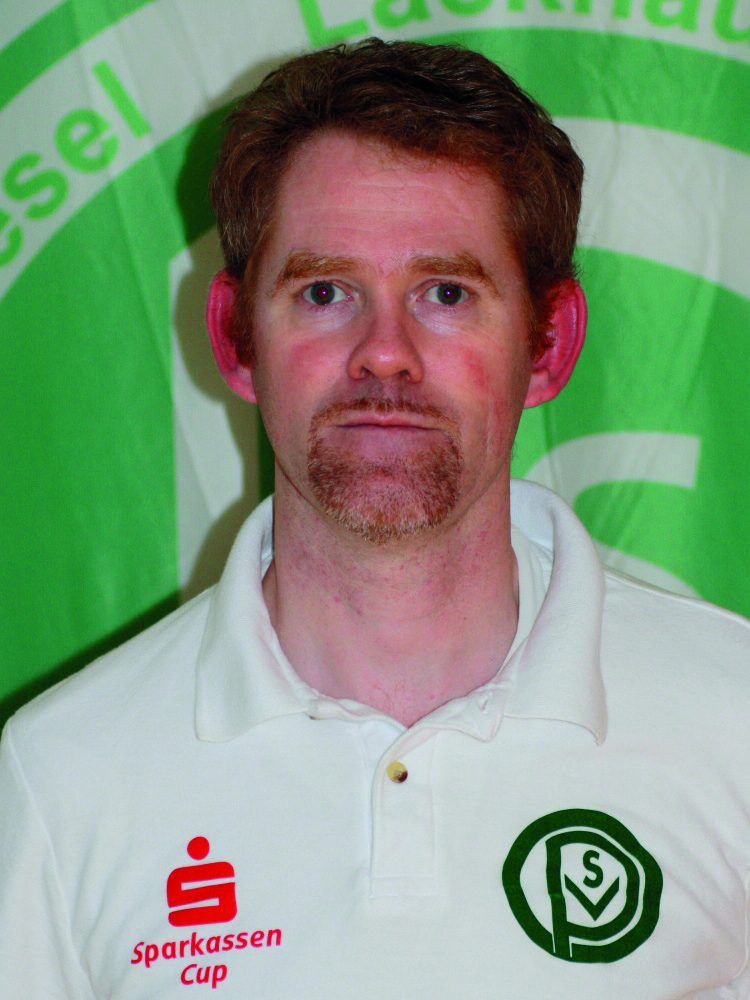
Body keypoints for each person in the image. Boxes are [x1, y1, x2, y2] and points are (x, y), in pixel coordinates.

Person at [1, 37, 749, 999]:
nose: (384, 352)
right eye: (325, 292)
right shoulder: (62, 776)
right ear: (234, 336)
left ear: (549, 344)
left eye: (446, 293)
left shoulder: (733, 720)